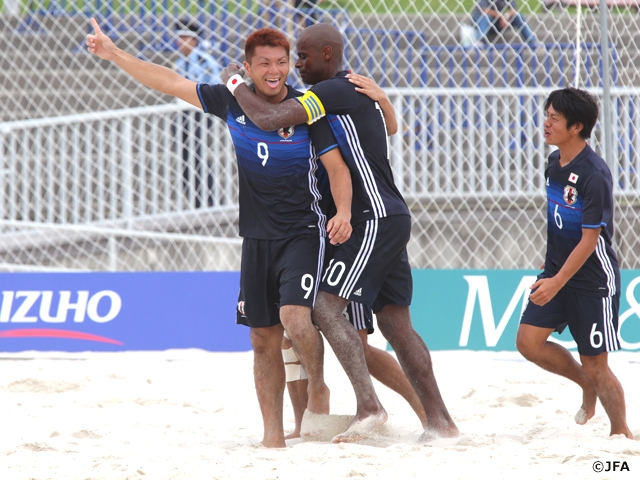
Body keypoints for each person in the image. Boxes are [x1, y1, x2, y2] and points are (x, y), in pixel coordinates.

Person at [87, 21, 352, 449]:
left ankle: (318, 385)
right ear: (246, 67)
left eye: (281, 62)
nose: (274, 70)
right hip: (256, 237)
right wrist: (114, 54)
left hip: (304, 231)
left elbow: (337, 168)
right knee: (261, 337)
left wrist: (342, 211)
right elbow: (171, 81)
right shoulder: (230, 101)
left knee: (294, 318)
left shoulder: (306, 106)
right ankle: (272, 437)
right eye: (264, 63)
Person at [221, 23, 459, 443]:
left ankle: (368, 406)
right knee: (393, 326)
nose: (297, 65)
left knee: (324, 311)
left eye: (303, 58)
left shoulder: (329, 92)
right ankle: (438, 421)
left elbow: (268, 116)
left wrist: (237, 82)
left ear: (327, 53)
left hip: (370, 218)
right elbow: (389, 129)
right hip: (384, 216)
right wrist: (385, 101)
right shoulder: (351, 88)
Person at [515, 87, 633, 440]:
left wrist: (556, 282)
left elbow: (589, 239)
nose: (546, 123)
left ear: (577, 127)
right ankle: (585, 384)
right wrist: (550, 274)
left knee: (597, 365)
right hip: (556, 272)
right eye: (547, 114)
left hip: (592, 280)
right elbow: (560, 223)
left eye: (554, 118)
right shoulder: (554, 163)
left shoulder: (594, 174)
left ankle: (622, 434)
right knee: (528, 343)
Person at [282, 301, 427, 440]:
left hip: (342, 280)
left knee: (360, 349)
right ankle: (302, 424)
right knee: (290, 340)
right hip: (306, 276)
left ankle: (426, 411)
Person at [174, 18, 222, 208]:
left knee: (197, 156)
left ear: (194, 40)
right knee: (186, 157)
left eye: (185, 37)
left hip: (199, 114)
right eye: (179, 38)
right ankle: (194, 200)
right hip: (183, 114)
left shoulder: (205, 62)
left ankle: (208, 199)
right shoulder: (179, 62)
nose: (181, 42)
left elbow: (216, 86)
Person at [471, 0, 538, 45]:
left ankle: (532, 40)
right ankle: (480, 40)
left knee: (518, 15)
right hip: (481, 22)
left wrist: (506, 16)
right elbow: (483, 9)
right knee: (487, 17)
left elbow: (513, 9)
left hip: (498, 22)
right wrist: (501, 16)